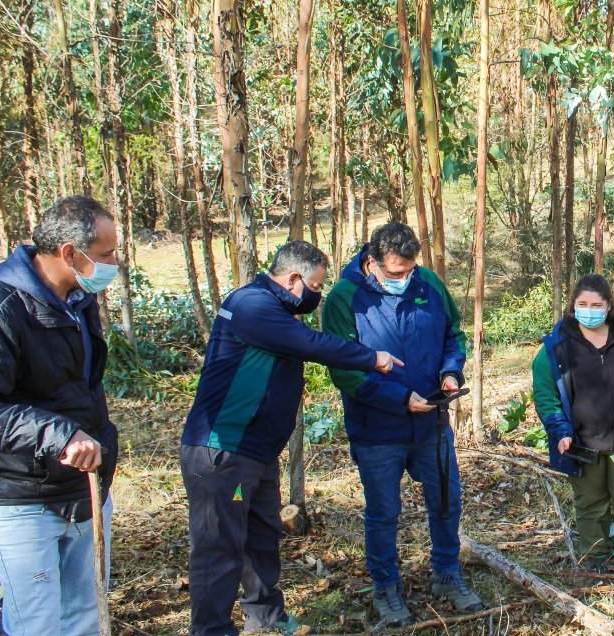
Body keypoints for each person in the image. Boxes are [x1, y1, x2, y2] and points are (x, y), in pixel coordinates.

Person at [180, 240, 400, 636]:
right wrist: (371, 357)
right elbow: (311, 345)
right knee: (220, 547)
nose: (317, 294)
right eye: (315, 286)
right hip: (222, 451)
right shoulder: (252, 305)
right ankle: (211, 628)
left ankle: (264, 613)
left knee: (262, 533)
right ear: (294, 278)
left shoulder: (276, 310)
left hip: (258, 452)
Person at [0, 196, 119, 635]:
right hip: (22, 498)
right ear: (70, 253)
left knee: (86, 614)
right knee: (37, 625)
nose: (115, 263)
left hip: (84, 489)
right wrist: (59, 434)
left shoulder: (77, 301)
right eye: (106, 255)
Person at [322, 222, 483, 627]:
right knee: (383, 511)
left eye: (409, 270)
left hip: (431, 421)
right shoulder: (344, 299)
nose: (403, 279)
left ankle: (447, 573)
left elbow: (452, 334)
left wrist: (451, 372)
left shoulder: (427, 282)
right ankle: (386, 588)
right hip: (377, 428)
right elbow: (344, 370)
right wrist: (397, 399)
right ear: (371, 262)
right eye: (395, 273)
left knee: (446, 500)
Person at [531, 274, 614, 567]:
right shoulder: (556, 347)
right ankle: (594, 558)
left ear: (608, 307)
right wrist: (560, 430)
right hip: (582, 443)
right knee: (590, 506)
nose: (589, 310)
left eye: (596, 304)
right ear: (572, 306)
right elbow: (545, 392)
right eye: (582, 304)